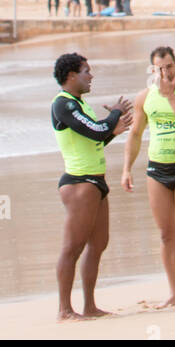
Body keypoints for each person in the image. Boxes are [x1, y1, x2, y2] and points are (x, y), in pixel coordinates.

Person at [52, 52, 132, 320]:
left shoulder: (80, 103)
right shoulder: (63, 105)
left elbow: (96, 140)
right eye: (86, 71)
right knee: (72, 247)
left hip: (96, 182)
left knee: (98, 244)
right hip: (78, 184)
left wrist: (114, 130)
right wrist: (115, 117)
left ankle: (89, 306)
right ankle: (64, 309)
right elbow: (97, 130)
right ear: (71, 75)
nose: (91, 76)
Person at [121, 46, 175, 308]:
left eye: (169, 66)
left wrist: (170, 97)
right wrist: (126, 168)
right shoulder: (144, 97)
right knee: (166, 234)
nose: (165, 72)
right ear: (152, 69)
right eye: (159, 68)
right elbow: (135, 134)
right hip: (158, 170)